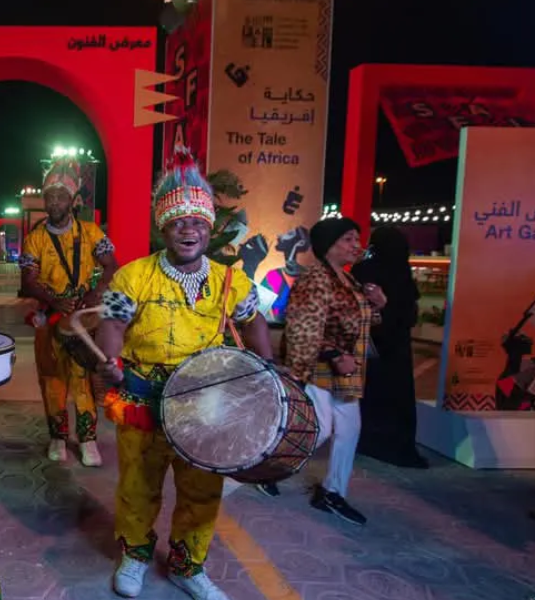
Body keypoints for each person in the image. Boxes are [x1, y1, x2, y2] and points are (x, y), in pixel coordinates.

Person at [94, 146, 273, 599]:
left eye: (197, 222)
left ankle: (187, 565)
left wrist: (266, 369)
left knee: (202, 487)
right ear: (164, 228)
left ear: (209, 229)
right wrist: (111, 361)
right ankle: (135, 555)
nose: (188, 230)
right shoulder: (132, 276)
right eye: (178, 223)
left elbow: (254, 321)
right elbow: (111, 324)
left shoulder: (231, 280)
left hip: (204, 403)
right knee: (138, 485)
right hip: (143, 398)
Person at [257, 217, 386, 526]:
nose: (356, 245)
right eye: (348, 239)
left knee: (349, 430)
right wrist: (333, 354)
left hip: (347, 369)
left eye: (357, 239)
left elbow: (359, 320)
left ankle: (332, 492)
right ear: (328, 245)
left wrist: (378, 304)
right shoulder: (315, 279)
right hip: (320, 366)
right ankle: (268, 470)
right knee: (320, 429)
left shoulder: (348, 279)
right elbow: (302, 327)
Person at [20, 156, 118, 467]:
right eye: (49, 196)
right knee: (52, 380)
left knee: (83, 381)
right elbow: (28, 280)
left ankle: (88, 440)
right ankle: (58, 437)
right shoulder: (35, 238)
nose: (54, 202)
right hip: (49, 317)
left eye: (61, 196)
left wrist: (93, 293)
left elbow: (111, 265)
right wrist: (54, 300)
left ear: (73, 200)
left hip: (81, 317)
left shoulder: (91, 233)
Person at [351, 226, 427, 468]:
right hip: (397, 347)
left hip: (371, 343)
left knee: (371, 394)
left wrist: (383, 305)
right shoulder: (402, 272)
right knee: (398, 396)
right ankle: (396, 445)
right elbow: (409, 315)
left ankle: (369, 441)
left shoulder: (364, 270)